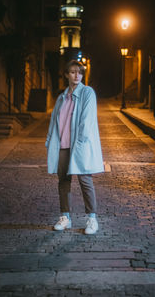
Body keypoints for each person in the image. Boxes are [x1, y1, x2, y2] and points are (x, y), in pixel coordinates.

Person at [45, 60, 104, 235]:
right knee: (63, 181)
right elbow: (54, 122)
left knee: (85, 180)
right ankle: (65, 218)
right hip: (62, 145)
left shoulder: (87, 93)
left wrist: (80, 142)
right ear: (66, 75)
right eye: (72, 72)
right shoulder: (62, 97)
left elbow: (87, 120)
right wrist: (50, 141)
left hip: (80, 145)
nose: (76, 75)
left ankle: (92, 219)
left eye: (79, 72)